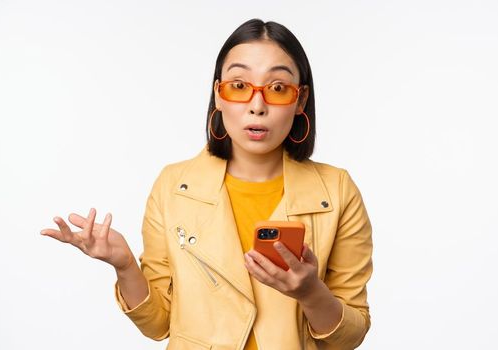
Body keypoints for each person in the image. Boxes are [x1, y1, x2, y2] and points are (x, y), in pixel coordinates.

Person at [41, 18, 373, 349]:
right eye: (239, 86)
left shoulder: (336, 190)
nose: (257, 106)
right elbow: (158, 324)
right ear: (218, 94)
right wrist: (126, 265)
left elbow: (350, 336)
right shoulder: (173, 186)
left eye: (277, 88)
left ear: (300, 101)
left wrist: (310, 293)